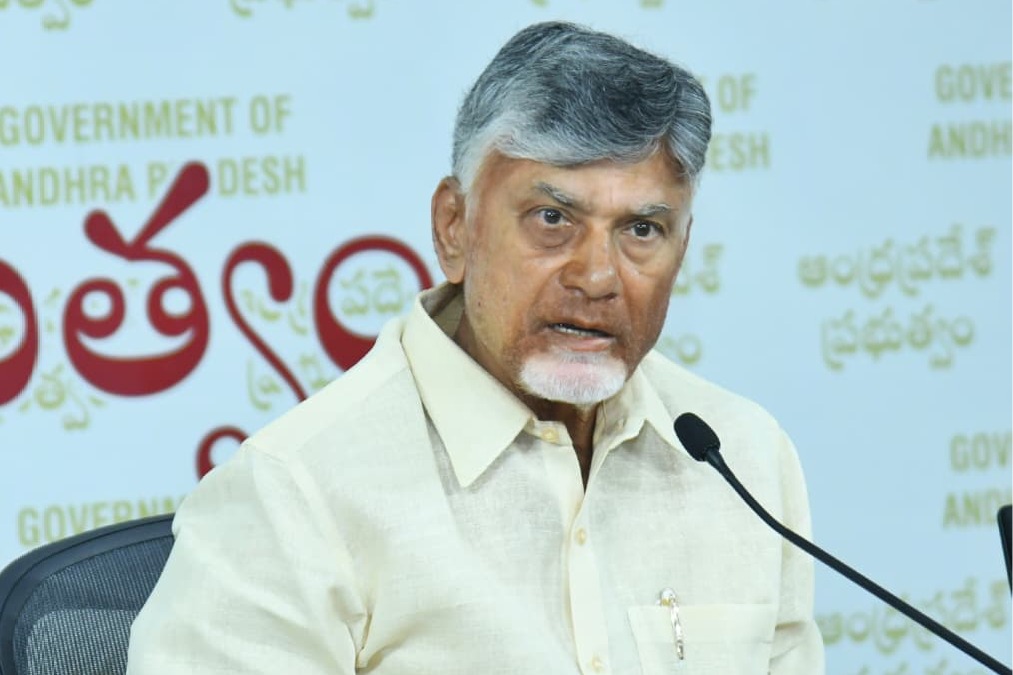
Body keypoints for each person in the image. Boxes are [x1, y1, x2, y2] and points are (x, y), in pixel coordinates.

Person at [127, 21, 824, 674]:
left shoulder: (744, 459)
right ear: (453, 228)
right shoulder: (295, 494)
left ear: (683, 244)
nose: (596, 276)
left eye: (641, 230)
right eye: (552, 218)